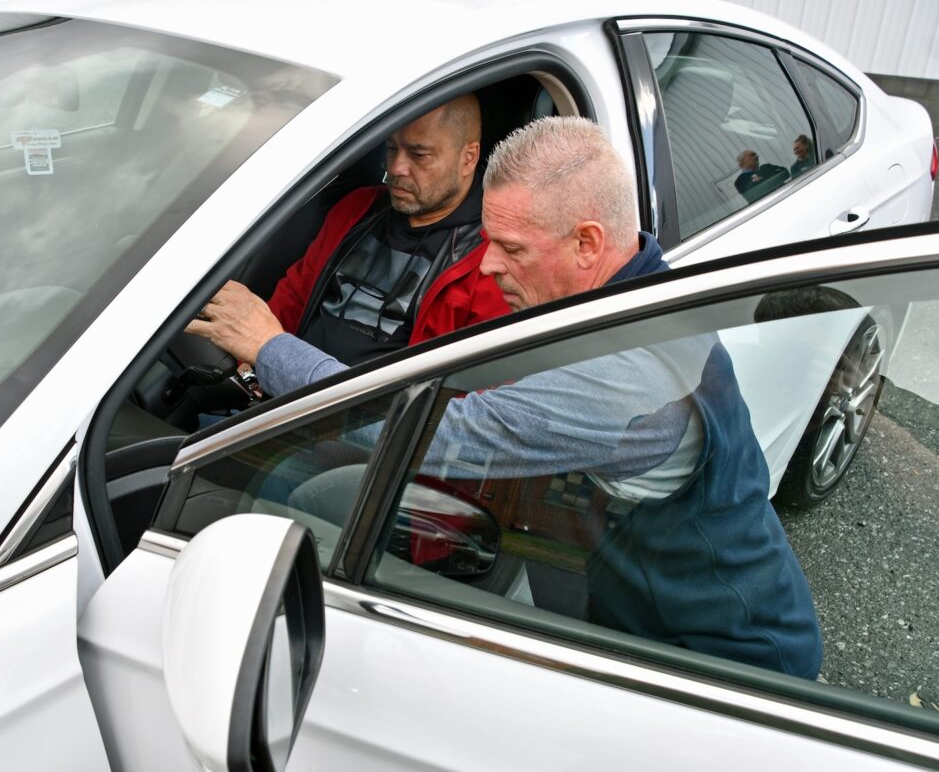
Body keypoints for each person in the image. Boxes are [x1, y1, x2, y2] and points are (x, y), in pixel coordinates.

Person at [193, 116, 822, 679]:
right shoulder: (620, 297)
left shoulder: (633, 371)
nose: (487, 265)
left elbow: (442, 435)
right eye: (490, 239)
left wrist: (270, 347)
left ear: (587, 243)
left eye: (512, 249)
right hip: (628, 609)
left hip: (727, 658)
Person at [189, 94, 508, 386]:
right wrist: (252, 364)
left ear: (469, 158)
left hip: (366, 427)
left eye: (419, 154)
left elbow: (463, 392)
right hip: (277, 391)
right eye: (392, 147)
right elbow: (295, 297)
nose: (396, 167)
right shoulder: (358, 208)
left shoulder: (493, 258)